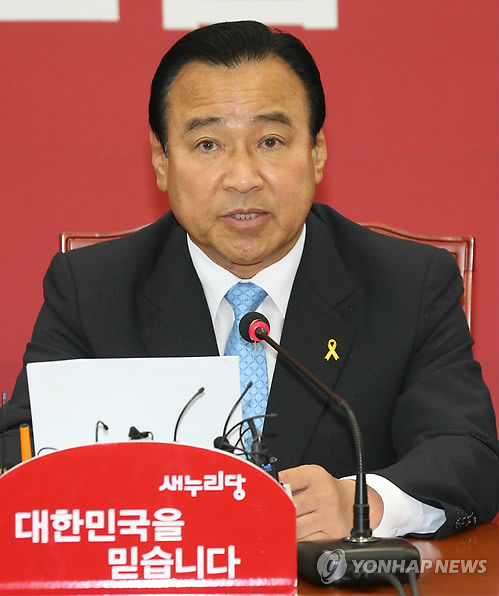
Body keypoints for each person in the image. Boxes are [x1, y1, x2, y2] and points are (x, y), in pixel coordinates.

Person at [0, 21, 497, 541]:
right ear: (162, 160)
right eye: (208, 144)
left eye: (270, 141)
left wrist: (365, 503)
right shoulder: (92, 290)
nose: (242, 178)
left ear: (317, 152)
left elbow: (469, 455)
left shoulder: (408, 285)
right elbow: (21, 452)